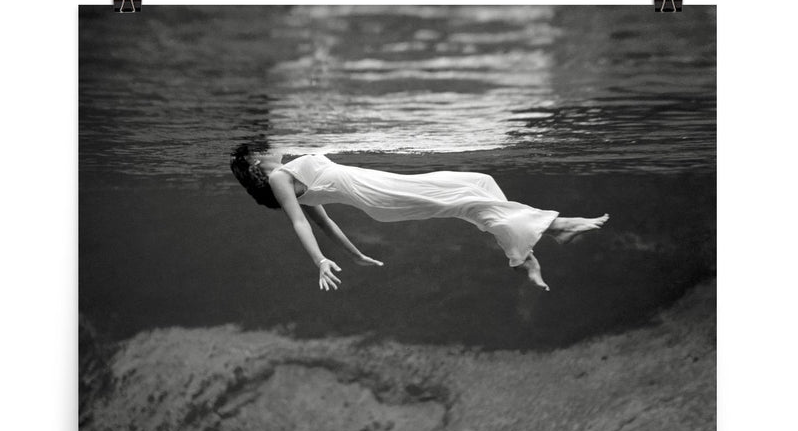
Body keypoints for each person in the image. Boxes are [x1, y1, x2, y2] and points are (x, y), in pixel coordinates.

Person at [230, 142, 608, 292]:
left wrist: (355, 254)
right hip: (379, 196)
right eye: (260, 149)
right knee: (467, 201)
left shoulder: (288, 172)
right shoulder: (281, 177)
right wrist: (320, 260)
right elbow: (302, 221)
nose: (270, 146)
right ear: (255, 164)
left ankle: (523, 252)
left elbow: (327, 222)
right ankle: (555, 227)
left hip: (380, 186)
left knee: (478, 182)